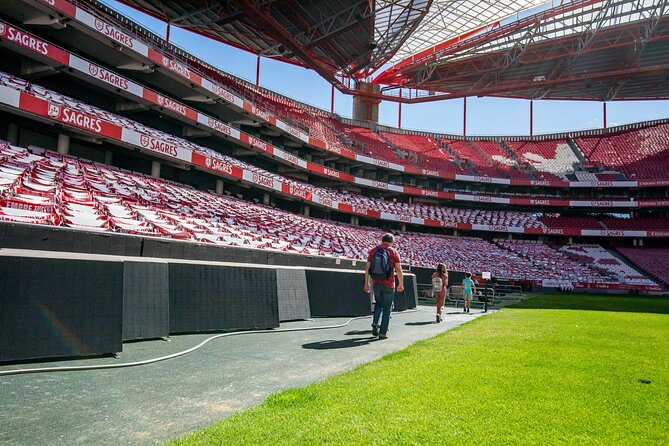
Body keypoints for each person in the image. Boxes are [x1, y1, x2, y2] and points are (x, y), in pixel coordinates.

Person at [364, 233, 403, 339]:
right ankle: (383, 333)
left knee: (378, 304)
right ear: (392, 242)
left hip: (376, 282)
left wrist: (366, 283)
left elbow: (367, 268)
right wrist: (401, 284)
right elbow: (398, 269)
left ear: (382, 240)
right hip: (389, 284)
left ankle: (375, 322)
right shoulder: (393, 251)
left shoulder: (373, 250)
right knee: (387, 308)